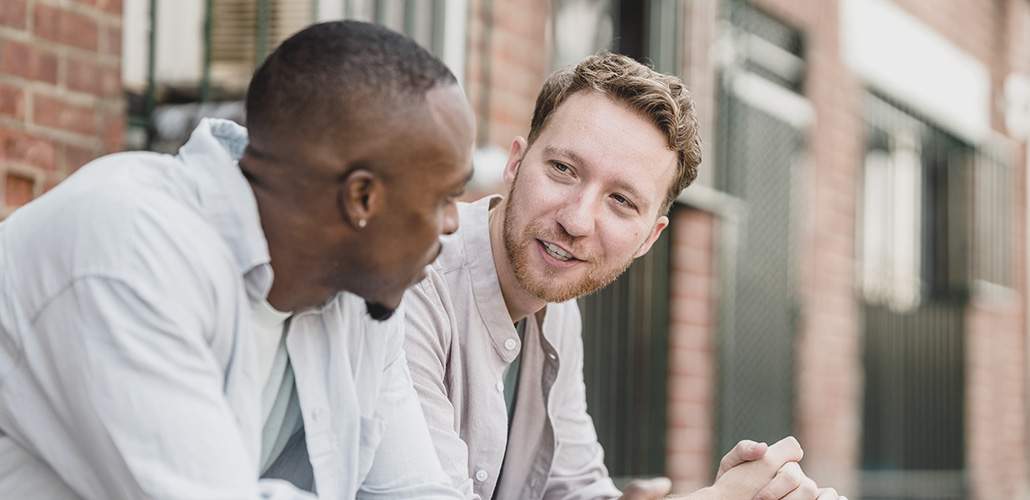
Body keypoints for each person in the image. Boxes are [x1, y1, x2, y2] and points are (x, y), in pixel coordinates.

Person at [0, 20, 473, 499]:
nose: (454, 222)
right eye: (444, 198)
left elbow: (416, 490)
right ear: (362, 199)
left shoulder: (359, 294)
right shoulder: (130, 250)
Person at [403, 53, 844, 500]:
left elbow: (574, 489)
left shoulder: (557, 311)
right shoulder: (410, 275)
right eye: (563, 170)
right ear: (516, 162)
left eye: (621, 201)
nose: (576, 220)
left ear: (649, 239)